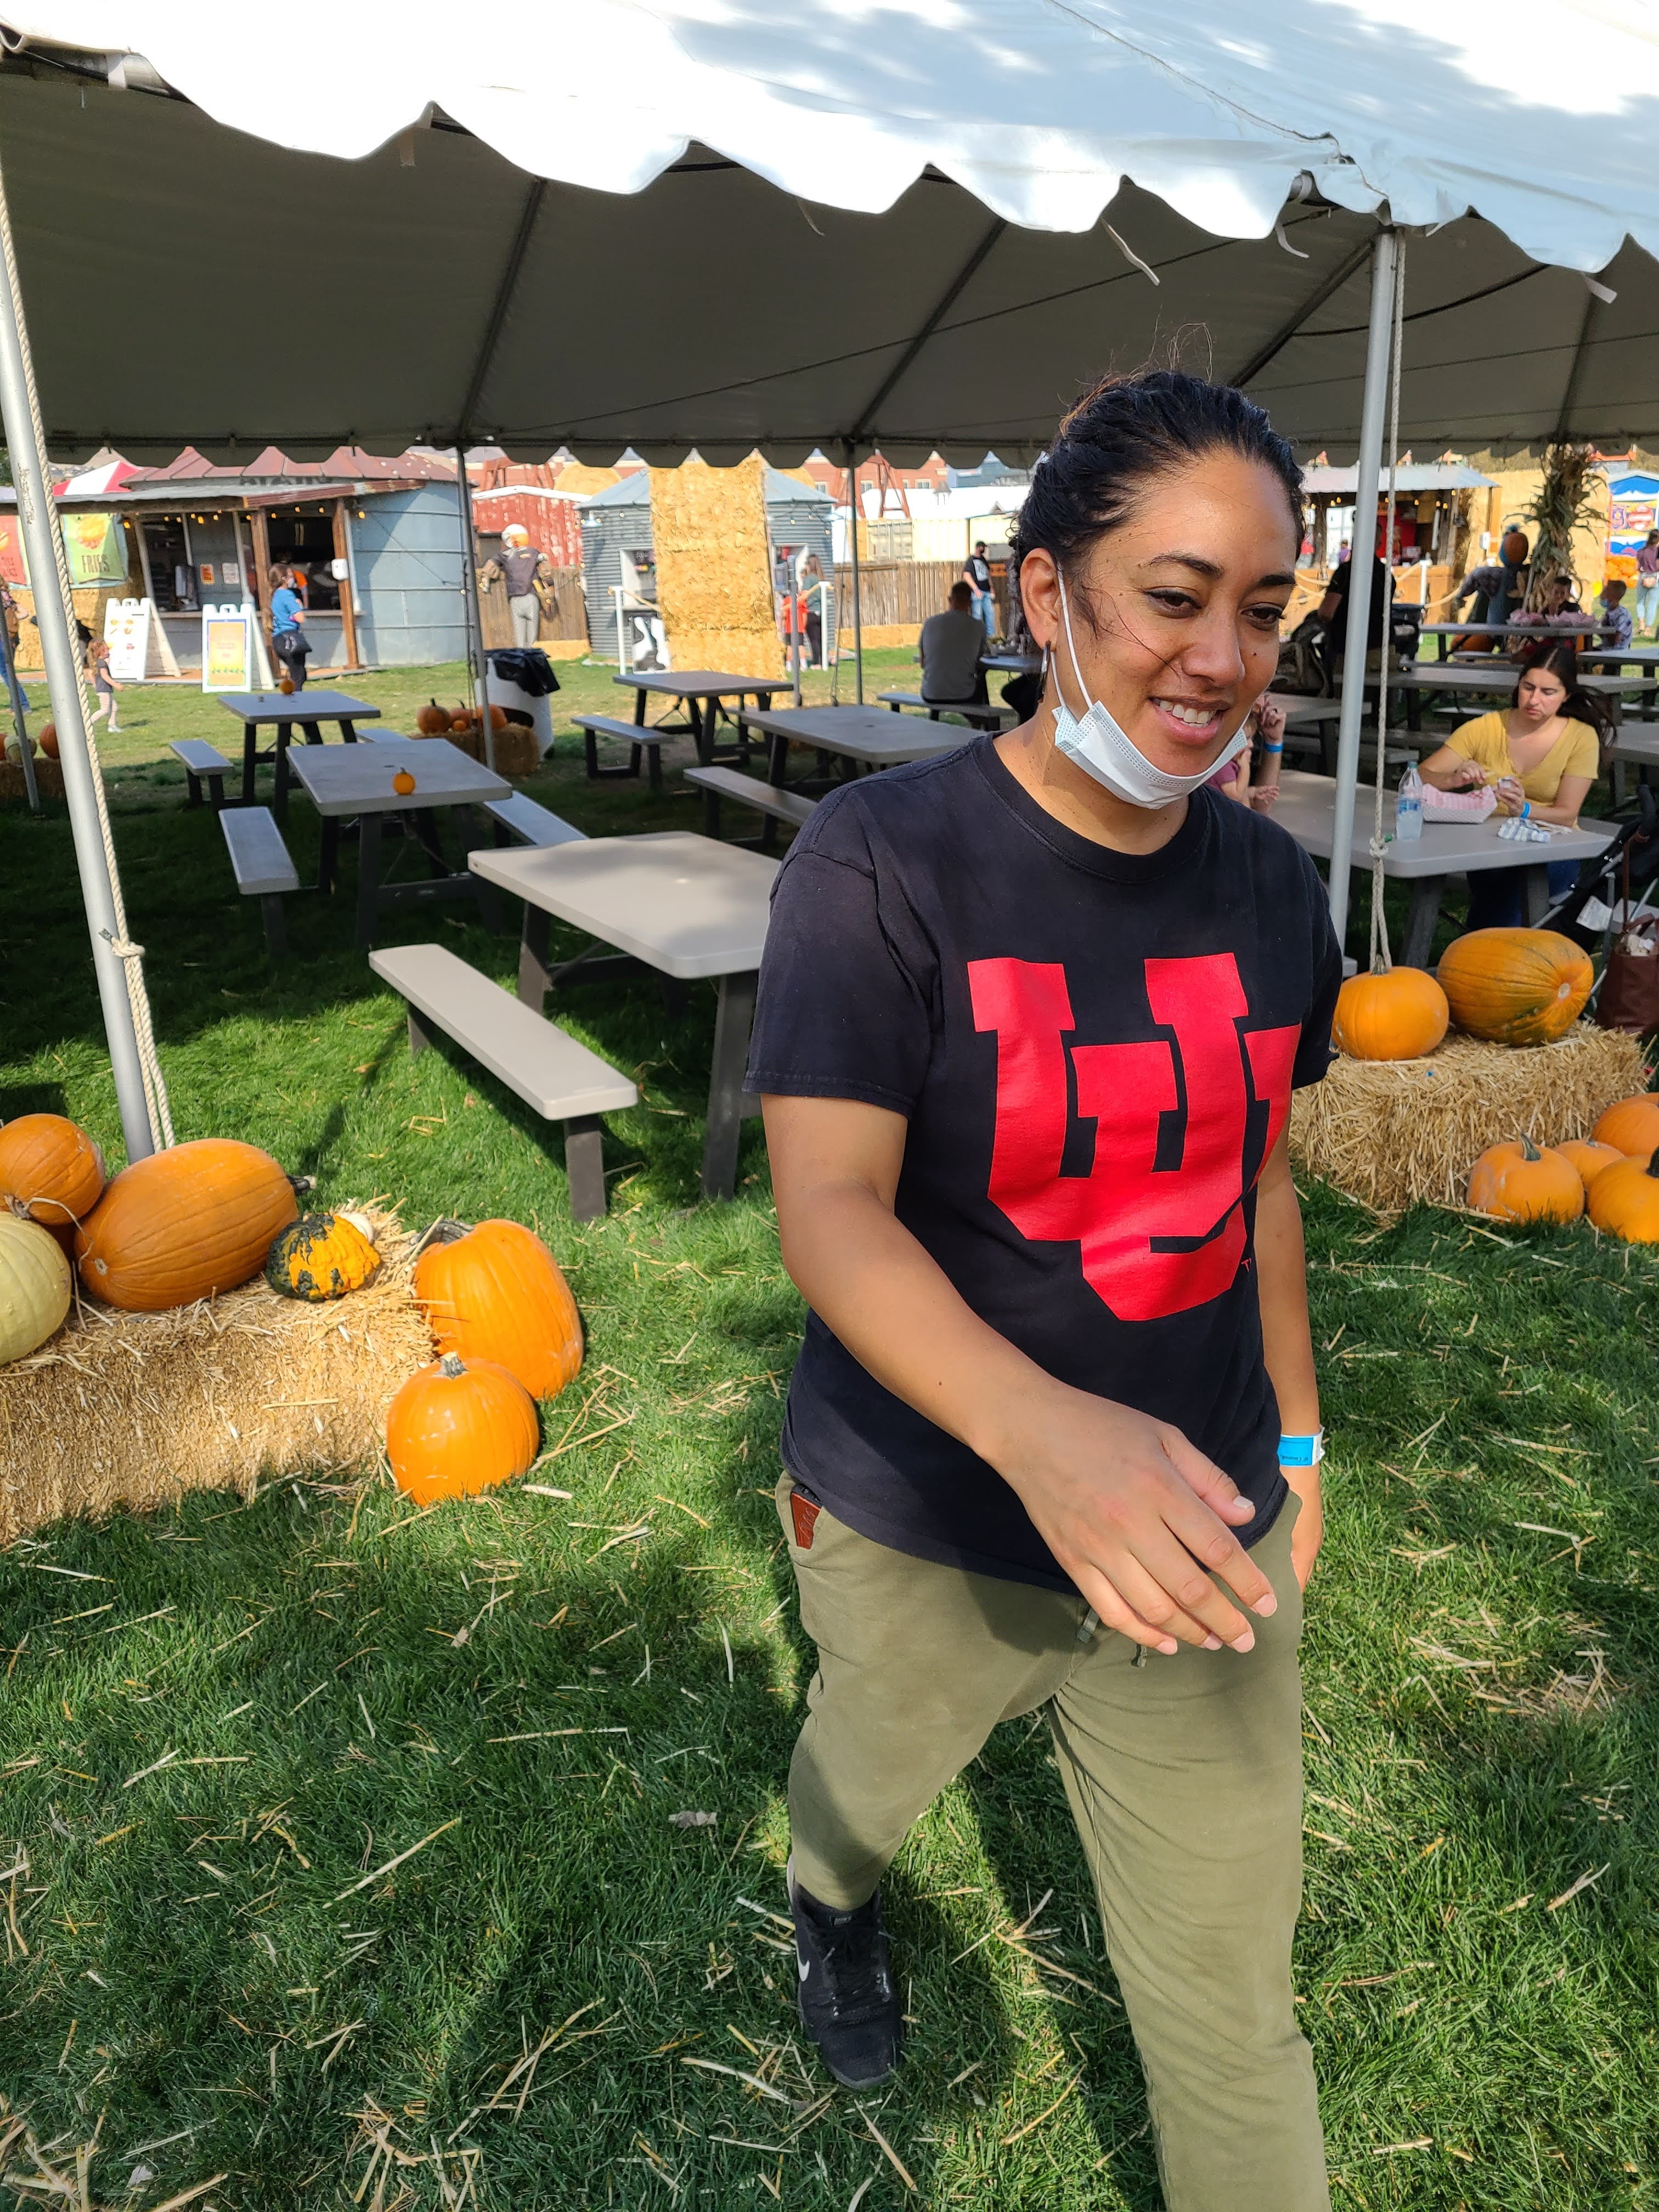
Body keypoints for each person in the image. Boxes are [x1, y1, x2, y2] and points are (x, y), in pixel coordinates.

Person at [748, 366, 1340, 2211]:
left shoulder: (1273, 889)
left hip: (1200, 1528)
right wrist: (1039, 1433)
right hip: (926, 1513)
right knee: (864, 1787)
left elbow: (1257, 1182)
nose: (1222, 659)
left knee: (1232, 2014)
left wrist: (1297, 1437)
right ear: (1042, 596)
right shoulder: (880, 863)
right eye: (1173, 597)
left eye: (1263, 609)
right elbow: (829, 1208)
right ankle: (830, 1901)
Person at [1419, 645, 1605, 930]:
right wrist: (1452, 780)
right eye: (1528, 687)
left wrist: (1524, 810)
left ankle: (1477, 949)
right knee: (1500, 891)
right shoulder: (1487, 727)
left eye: (1548, 692)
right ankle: (1488, 950)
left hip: (1554, 849)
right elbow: (1422, 775)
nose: (1534, 699)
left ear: (1566, 695)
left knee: (1506, 899)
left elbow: (1567, 814)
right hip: (1490, 848)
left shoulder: (1581, 737)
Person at [1315, 543, 1389, 671]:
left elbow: (1327, 612)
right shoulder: (1385, 573)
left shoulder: (1346, 572)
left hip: (1347, 649)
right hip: (1382, 646)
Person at [481, 523, 556, 648]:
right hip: (530, 596)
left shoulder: (504, 555)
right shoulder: (533, 553)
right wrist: (549, 587)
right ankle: (530, 654)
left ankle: (522, 654)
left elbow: (490, 566)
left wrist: (485, 580)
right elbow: (546, 571)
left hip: (515, 597)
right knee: (532, 637)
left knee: (519, 636)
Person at [1208, 696, 1286, 811]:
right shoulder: (1224, 767)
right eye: (1245, 739)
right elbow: (1236, 796)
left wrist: (1253, 792)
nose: (1251, 745)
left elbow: (1261, 808)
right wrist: (1245, 766)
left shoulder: (1232, 762)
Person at [917, 580, 988, 704]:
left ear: (950, 600)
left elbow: (923, 663)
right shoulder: (978, 626)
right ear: (970, 603)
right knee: (980, 683)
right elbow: (979, 659)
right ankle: (979, 717)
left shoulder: (930, 623)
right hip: (964, 695)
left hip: (930, 693)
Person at [268, 563, 311, 690]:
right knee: (299, 677)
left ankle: (289, 694)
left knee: (296, 674)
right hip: (290, 640)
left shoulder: (275, 595)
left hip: (278, 640)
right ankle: (295, 700)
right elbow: (300, 618)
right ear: (284, 579)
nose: (293, 579)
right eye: (291, 576)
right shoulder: (287, 595)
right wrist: (299, 605)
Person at [85, 633, 122, 734]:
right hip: (104, 690)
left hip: (103, 689)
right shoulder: (101, 663)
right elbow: (105, 676)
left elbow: (91, 674)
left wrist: (95, 685)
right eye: (105, 650)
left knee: (114, 708)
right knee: (105, 710)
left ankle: (112, 726)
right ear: (99, 652)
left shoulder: (98, 662)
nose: (108, 651)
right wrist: (116, 685)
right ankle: (88, 724)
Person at [963, 539, 996, 637]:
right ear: (978, 548)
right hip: (977, 593)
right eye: (983, 548)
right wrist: (976, 589)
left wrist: (991, 587)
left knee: (990, 615)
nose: (984, 549)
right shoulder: (971, 560)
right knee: (977, 616)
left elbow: (988, 574)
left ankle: (991, 637)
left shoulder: (983, 559)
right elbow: (966, 575)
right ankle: (977, 637)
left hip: (987, 591)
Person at [1594, 576, 1633, 651]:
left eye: (1605, 591)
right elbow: (1604, 636)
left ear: (1613, 596)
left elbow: (1615, 640)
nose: (1601, 595)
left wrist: (1602, 630)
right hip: (1606, 647)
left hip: (1617, 650)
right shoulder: (1609, 612)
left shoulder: (1622, 615)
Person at [1635, 531, 1659, 637]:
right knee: (1652, 604)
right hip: (1656, 579)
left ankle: (1641, 623)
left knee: (1640, 602)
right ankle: (1648, 629)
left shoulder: (1642, 551)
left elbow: (1636, 567)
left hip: (1643, 578)